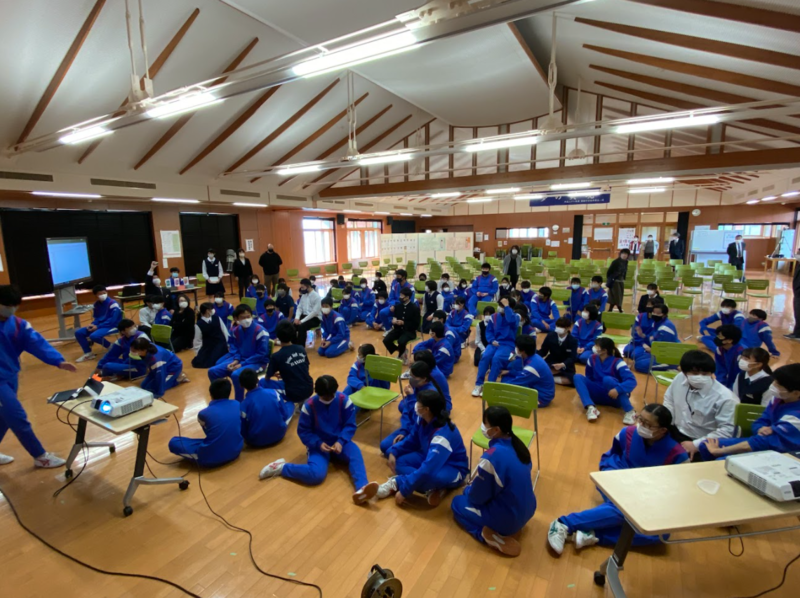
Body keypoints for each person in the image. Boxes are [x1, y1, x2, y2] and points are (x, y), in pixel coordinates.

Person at [547, 404, 688, 555]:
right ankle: (564, 523)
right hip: (616, 476)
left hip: (646, 493)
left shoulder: (677, 454)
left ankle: (592, 534)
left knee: (660, 534)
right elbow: (610, 456)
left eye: (647, 424)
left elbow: (678, 486)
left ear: (662, 430)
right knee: (625, 508)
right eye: (640, 419)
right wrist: (609, 474)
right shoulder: (627, 433)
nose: (641, 425)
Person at [258, 375, 379, 506]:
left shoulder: (344, 400)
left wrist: (341, 441)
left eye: (331, 395)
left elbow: (350, 425)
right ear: (318, 394)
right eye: (325, 397)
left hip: (340, 442)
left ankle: (362, 488)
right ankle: (281, 468)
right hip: (319, 446)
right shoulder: (309, 406)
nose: (329, 399)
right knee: (316, 475)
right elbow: (304, 431)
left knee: (356, 455)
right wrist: (318, 443)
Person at [0, 285, 75, 468]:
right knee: (17, 416)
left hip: (10, 376)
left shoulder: (18, 325)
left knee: (3, 418)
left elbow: (37, 343)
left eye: (14, 306)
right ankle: (40, 456)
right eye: (7, 305)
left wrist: (58, 361)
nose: (11, 309)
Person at [451, 405, 536, 557]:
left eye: (485, 424)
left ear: (496, 430)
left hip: (509, 519)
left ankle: (488, 536)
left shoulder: (491, 458)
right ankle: (509, 528)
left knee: (457, 503)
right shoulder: (520, 446)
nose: (483, 427)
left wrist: (467, 490)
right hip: (528, 509)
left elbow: (477, 497)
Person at [377, 389, 469, 507]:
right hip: (428, 456)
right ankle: (434, 489)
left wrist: (404, 490)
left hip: (452, 467)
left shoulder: (443, 436)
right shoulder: (422, 418)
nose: (416, 405)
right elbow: (412, 439)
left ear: (426, 409)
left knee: (431, 477)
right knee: (399, 463)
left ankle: (396, 482)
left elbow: (428, 469)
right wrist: (394, 451)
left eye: (418, 403)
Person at [699, 363, 800, 460]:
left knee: (722, 461)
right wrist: (762, 430)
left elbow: (762, 443)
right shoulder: (778, 399)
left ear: (796, 393)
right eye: (775, 381)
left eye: (778, 384)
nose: (773, 385)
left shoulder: (796, 417)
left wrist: (719, 451)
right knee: (705, 445)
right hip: (761, 441)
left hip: (783, 453)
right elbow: (760, 421)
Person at [662, 350, 737, 460]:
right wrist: (667, 422)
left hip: (702, 441)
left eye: (705, 374)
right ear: (684, 372)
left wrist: (696, 444)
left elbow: (727, 430)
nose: (700, 377)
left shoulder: (725, 398)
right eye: (695, 373)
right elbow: (669, 399)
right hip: (676, 430)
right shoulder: (680, 378)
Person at [168, 379, 243, 468]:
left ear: (210, 394)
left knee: (174, 442)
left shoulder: (204, 413)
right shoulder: (237, 404)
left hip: (210, 458)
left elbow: (208, 432)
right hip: (236, 450)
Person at [209, 305, 270, 401]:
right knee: (212, 371)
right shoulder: (236, 330)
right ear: (237, 319)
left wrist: (242, 364)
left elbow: (261, 354)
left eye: (248, 316)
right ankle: (221, 400)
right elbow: (234, 347)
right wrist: (236, 360)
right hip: (240, 359)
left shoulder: (260, 331)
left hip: (257, 362)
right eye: (242, 317)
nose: (246, 320)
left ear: (252, 316)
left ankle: (239, 402)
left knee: (236, 375)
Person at [575, 337, 637, 424]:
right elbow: (589, 378)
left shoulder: (618, 362)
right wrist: (585, 392)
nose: (594, 347)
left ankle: (630, 411)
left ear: (604, 350)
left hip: (614, 396)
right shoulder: (591, 359)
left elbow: (632, 381)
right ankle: (591, 408)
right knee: (577, 377)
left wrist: (618, 389)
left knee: (607, 379)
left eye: (596, 346)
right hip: (598, 395)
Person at [472, 297, 520, 397]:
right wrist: (491, 340)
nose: (499, 307)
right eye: (500, 305)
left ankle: (490, 386)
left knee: (496, 359)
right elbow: (489, 331)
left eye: (502, 306)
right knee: (485, 356)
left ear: (509, 307)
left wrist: (506, 307)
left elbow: (511, 321)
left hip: (507, 344)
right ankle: (479, 384)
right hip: (494, 343)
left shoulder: (515, 317)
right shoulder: (493, 317)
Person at [238, 368, 294, 448]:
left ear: (241, 385)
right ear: (257, 380)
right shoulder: (273, 393)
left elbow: (243, 429)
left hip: (255, 441)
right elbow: (284, 415)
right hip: (279, 434)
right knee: (290, 404)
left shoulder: (243, 405)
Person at [263, 321, 314, 406]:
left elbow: (267, 377)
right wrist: (287, 372)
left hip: (294, 393)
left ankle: (281, 406)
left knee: (262, 382)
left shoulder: (276, 356)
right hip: (309, 388)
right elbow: (304, 367)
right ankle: (303, 401)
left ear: (278, 336)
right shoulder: (301, 348)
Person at [503, 335, 556, 407]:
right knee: (506, 378)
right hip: (537, 389)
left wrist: (495, 388)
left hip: (541, 398)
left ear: (523, 351)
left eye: (517, 347)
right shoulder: (534, 356)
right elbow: (523, 374)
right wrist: (509, 372)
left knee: (506, 395)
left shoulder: (532, 368)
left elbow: (515, 383)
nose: (515, 349)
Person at [75, 285, 123, 362]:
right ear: (96, 295)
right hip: (100, 325)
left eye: (104, 293)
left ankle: (112, 347)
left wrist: (98, 327)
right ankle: (88, 353)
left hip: (112, 325)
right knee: (79, 332)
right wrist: (93, 324)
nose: (102, 295)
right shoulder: (96, 304)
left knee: (94, 336)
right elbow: (97, 318)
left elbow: (112, 320)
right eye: (100, 294)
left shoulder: (113, 304)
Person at [633, 302, 679, 374]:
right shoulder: (656, 323)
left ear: (664, 315)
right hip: (657, 352)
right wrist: (643, 335)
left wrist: (652, 350)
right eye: (654, 312)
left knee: (639, 365)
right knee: (638, 358)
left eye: (658, 313)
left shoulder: (666, 328)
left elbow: (665, 348)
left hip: (667, 356)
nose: (655, 314)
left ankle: (670, 366)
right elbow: (653, 338)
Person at [533, 317, 575, 387]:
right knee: (539, 370)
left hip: (565, 364)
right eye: (558, 326)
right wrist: (534, 356)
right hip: (552, 361)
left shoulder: (572, 340)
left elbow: (572, 358)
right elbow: (543, 351)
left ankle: (548, 378)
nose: (559, 328)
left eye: (562, 327)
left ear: (568, 328)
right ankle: (547, 376)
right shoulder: (550, 336)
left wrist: (562, 364)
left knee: (572, 380)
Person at [383, 287, 420, 364]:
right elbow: (394, 317)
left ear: (407, 297)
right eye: (400, 295)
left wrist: (404, 323)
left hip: (409, 331)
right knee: (386, 340)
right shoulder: (398, 307)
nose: (400, 297)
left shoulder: (415, 308)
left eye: (402, 295)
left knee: (401, 341)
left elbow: (416, 324)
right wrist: (394, 321)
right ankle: (401, 351)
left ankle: (401, 355)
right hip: (398, 329)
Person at [192, 302, 230, 369]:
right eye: (212, 309)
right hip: (208, 346)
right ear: (207, 310)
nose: (213, 310)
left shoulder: (217, 318)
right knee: (205, 361)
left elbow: (225, 331)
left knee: (218, 358)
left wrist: (228, 344)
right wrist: (199, 352)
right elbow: (197, 340)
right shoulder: (198, 324)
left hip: (220, 343)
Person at [714, 324, 746, 390]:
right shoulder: (719, 349)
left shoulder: (742, 353)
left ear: (729, 340)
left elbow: (740, 374)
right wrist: (721, 383)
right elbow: (720, 368)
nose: (717, 338)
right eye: (717, 335)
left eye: (720, 336)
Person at [293, 278, 322, 346]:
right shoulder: (304, 295)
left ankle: (301, 347)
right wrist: (297, 318)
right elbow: (299, 307)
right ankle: (294, 345)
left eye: (303, 287)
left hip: (315, 318)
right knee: (292, 325)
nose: (301, 289)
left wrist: (302, 321)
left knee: (301, 326)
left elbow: (315, 312)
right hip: (305, 316)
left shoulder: (316, 296)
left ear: (308, 286)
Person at [606, 249, 629, 313]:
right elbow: (609, 272)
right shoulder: (615, 262)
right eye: (623, 253)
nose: (624, 255)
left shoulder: (626, 262)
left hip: (621, 281)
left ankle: (610, 309)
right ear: (620, 254)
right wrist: (611, 279)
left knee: (616, 296)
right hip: (615, 281)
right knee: (617, 296)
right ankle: (619, 308)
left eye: (626, 254)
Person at [786, 254, 800, 341]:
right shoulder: (798, 264)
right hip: (797, 293)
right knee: (797, 313)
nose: (797, 255)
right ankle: (797, 333)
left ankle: (797, 334)